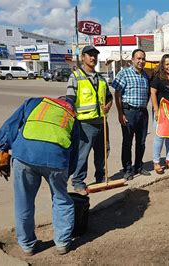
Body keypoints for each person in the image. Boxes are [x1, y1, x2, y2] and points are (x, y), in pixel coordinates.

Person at [0, 97, 79, 255]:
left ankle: (27, 245)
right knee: (61, 199)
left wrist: (3, 148)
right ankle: (62, 243)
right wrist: (68, 173)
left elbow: (10, 126)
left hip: (24, 155)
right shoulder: (72, 116)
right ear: (71, 107)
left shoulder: (35, 102)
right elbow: (75, 151)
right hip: (56, 160)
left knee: (24, 201)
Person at [66, 45, 113, 195]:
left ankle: (101, 177)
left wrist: (108, 106)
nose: (93, 58)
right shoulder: (75, 76)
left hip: (101, 121)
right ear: (83, 58)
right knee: (82, 154)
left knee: (102, 152)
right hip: (84, 124)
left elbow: (109, 97)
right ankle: (78, 182)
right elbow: (69, 101)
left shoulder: (100, 78)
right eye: (89, 55)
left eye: (95, 55)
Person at [112, 48, 151, 180]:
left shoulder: (145, 75)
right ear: (132, 60)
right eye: (138, 58)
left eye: (143, 59)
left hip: (142, 113)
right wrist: (120, 113)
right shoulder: (124, 73)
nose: (141, 61)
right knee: (127, 142)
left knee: (141, 141)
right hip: (129, 112)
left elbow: (148, 94)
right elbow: (117, 94)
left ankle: (138, 166)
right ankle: (127, 169)